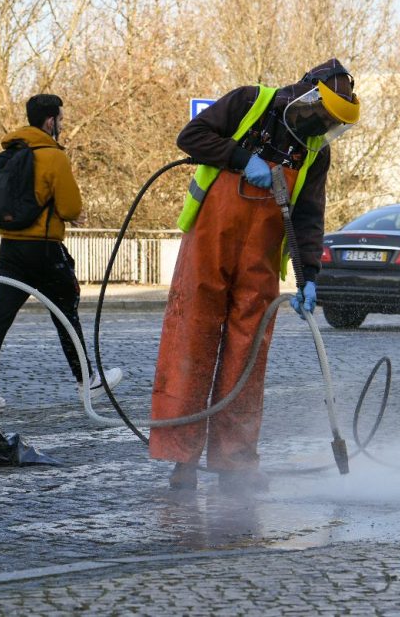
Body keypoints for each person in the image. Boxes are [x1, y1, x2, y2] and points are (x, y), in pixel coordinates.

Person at [150, 58, 360, 492]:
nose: (323, 125)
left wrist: (310, 278)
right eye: (324, 115)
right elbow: (190, 136)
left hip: (259, 260)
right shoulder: (250, 102)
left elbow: (308, 216)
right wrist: (241, 157)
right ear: (308, 95)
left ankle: (236, 463)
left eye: (332, 122)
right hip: (209, 244)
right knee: (191, 341)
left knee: (247, 361)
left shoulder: (315, 150)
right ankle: (181, 461)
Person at [0, 93, 122, 409]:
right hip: (44, 250)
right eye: (61, 120)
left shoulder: (10, 154)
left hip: (10, 248)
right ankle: (88, 382)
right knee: (65, 314)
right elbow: (71, 206)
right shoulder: (53, 157)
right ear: (51, 121)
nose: (62, 125)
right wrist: (68, 213)